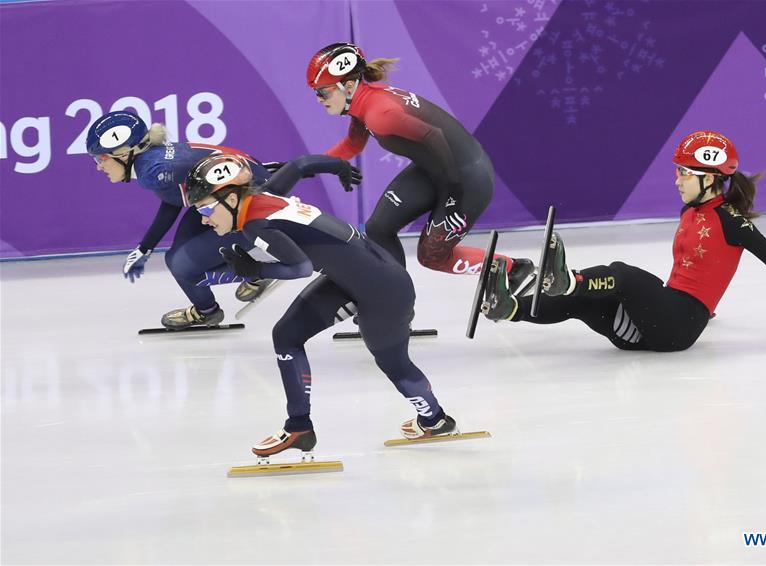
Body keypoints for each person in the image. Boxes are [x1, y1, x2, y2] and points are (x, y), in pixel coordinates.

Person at [184, 152, 458, 456]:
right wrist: (338, 165)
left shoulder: (255, 224)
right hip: (353, 279)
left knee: (394, 365)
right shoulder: (263, 195)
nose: (204, 218)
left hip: (386, 291)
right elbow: (299, 165)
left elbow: (299, 267)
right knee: (286, 336)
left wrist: (255, 270)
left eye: (206, 208)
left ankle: (435, 419)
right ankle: (299, 427)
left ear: (232, 200)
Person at [481, 130, 766, 351]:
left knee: (624, 275)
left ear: (710, 178)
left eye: (684, 174)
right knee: (582, 301)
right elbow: (703, 268)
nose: (677, 181)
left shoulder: (731, 221)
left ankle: (568, 278)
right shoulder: (690, 212)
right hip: (646, 329)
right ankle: (510, 309)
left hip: (679, 325)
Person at [86, 111, 358, 329]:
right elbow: (172, 201)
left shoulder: (154, 171)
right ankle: (211, 308)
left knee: (182, 265)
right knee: (177, 259)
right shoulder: (153, 163)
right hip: (229, 192)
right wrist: (144, 247)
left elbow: (181, 189)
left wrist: (267, 177)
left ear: (124, 153)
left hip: (244, 201)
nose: (98, 167)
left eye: (100, 159)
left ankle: (258, 269)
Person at [308, 42, 534, 293]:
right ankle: (395, 306)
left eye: (323, 92)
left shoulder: (379, 114)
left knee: (432, 256)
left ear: (348, 86)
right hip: (434, 170)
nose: (318, 99)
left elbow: (433, 135)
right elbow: (352, 145)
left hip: (465, 179)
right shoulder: (362, 105)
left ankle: (514, 269)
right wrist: (299, 167)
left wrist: (454, 190)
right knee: (378, 229)